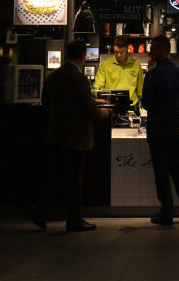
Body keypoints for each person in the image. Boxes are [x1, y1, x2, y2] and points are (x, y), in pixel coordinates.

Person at [30, 39, 107, 232]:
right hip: (77, 136)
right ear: (83, 56)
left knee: (57, 175)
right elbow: (89, 109)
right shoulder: (79, 78)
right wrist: (103, 114)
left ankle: (40, 209)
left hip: (57, 134)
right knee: (74, 181)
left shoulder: (53, 76)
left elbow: (45, 104)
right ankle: (74, 219)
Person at [141, 35, 179, 225]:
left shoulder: (152, 75)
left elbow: (146, 103)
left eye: (153, 48)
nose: (150, 52)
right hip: (175, 128)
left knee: (161, 172)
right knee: (177, 170)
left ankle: (167, 213)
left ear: (163, 50)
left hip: (157, 128)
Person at [94, 35, 144, 107]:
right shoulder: (105, 65)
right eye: (116, 52)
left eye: (122, 52)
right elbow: (98, 87)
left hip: (131, 106)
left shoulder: (136, 65)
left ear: (127, 49)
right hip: (111, 105)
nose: (119, 55)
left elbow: (141, 89)